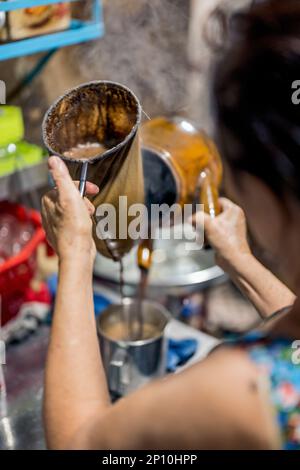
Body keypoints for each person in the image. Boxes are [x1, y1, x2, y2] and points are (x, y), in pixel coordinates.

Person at [41, 0, 300, 450]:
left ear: (268, 180)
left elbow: (77, 444)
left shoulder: (243, 391)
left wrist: (75, 252)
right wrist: (242, 260)